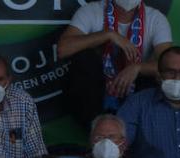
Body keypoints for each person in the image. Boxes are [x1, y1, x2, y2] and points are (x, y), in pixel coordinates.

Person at [57, 0, 173, 128]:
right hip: (95, 96)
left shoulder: (155, 18)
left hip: (134, 92)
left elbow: (170, 66)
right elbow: (63, 49)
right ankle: (95, 129)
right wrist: (108, 34)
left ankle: (135, 129)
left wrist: (137, 68)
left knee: (153, 75)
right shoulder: (92, 11)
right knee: (84, 58)